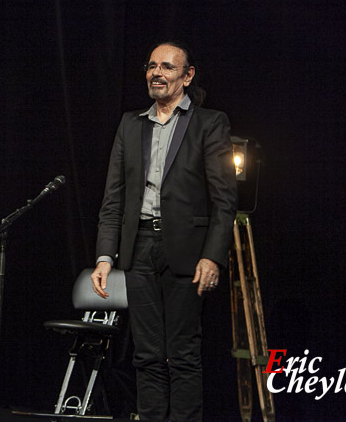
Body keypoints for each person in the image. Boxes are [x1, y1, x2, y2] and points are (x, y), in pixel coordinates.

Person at [90, 41, 238, 421]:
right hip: (138, 247)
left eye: (168, 67)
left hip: (188, 251)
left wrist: (212, 256)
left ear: (186, 77)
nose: (157, 73)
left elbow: (224, 200)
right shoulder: (130, 123)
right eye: (152, 66)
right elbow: (114, 197)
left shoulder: (210, 123)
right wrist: (105, 256)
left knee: (183, 353)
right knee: (147, 353)